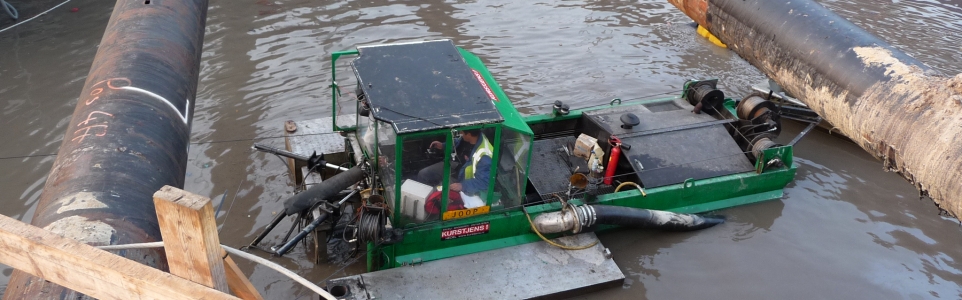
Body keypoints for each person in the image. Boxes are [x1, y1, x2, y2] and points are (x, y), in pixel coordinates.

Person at [417, 129, 493, 197]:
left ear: (469, 134)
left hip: (462, 179)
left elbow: (484, 182)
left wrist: (462, 186)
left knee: (434, 194)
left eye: (462, 132)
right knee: (423, 174)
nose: (460, 133)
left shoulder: (484, 156)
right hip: (455, 166)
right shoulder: (468, 138)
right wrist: (443, 146)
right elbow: (457, 142)